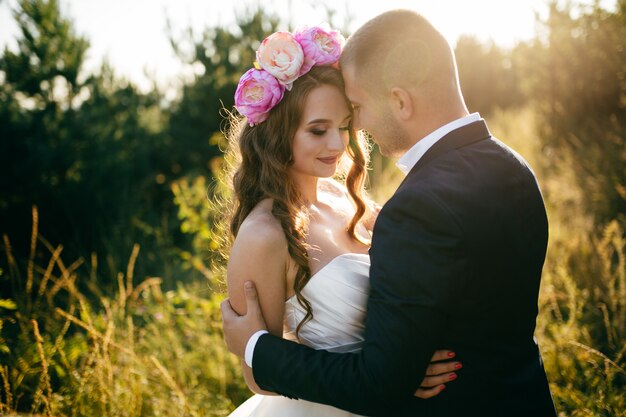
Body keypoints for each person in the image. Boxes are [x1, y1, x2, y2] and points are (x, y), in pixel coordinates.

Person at [221, 10, 557, 417]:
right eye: (318, 128)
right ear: (277, 132)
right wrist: (401, 368)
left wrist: (397, 371)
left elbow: (382, 379)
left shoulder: (392, 208)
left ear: (400, 100)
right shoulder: (515, 169)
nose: (346, 137)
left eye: (350, 117)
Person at [223, 25, 461, 416]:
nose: (337, 145)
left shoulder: (345, 200)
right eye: (318, 130)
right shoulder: (264, 235)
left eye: (344, 127)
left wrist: (404, 366)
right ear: (278, 132)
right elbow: (258, 373)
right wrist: (399, 376)